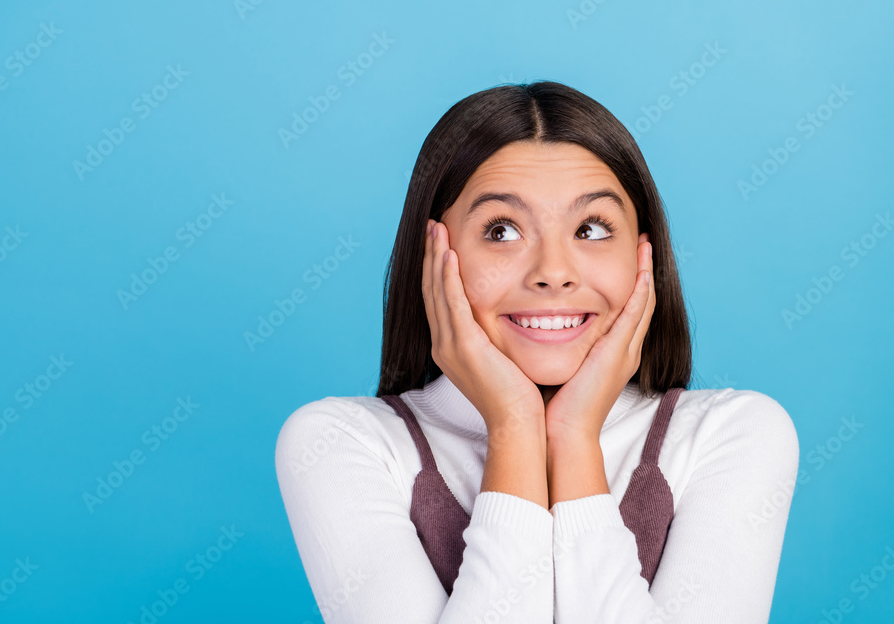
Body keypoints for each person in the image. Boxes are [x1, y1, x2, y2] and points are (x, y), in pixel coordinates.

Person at [274, 81, 800, 623]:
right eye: (501, 231)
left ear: (643, 256)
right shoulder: (341, 444)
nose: (553, 272)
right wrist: (513, 426)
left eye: (591, 229)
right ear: (432, 254)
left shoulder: (736, 434)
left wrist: (574, 438)